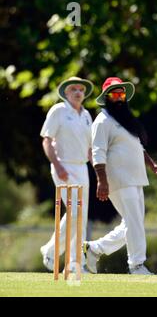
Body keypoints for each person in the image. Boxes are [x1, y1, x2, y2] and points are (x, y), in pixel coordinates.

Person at [83, 77, 157, 275]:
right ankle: (136, 265)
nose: (119, 97)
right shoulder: (102, 121)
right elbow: (97, 152)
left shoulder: (126, 121)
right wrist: (102, 181)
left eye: (121, 93)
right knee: (134, 221)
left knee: (132, 222)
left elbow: (137, 147)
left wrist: (152, 164)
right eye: (114, 94)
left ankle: (94, 249)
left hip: (136, 177)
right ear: (106, 97)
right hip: (118, 178)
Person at [40, 76, 94, 273]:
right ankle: (52, 253)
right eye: (74, 89)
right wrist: (58, 165)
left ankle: (74, 262)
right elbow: (47, 140)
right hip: (63, 166)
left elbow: (89, 148)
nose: (78, 92)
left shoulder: (87, 115)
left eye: (81, 89)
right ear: (66, 93)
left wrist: (99, 172)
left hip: (82, 168)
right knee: (74, 212)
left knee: (81, 215)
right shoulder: (58, 111)